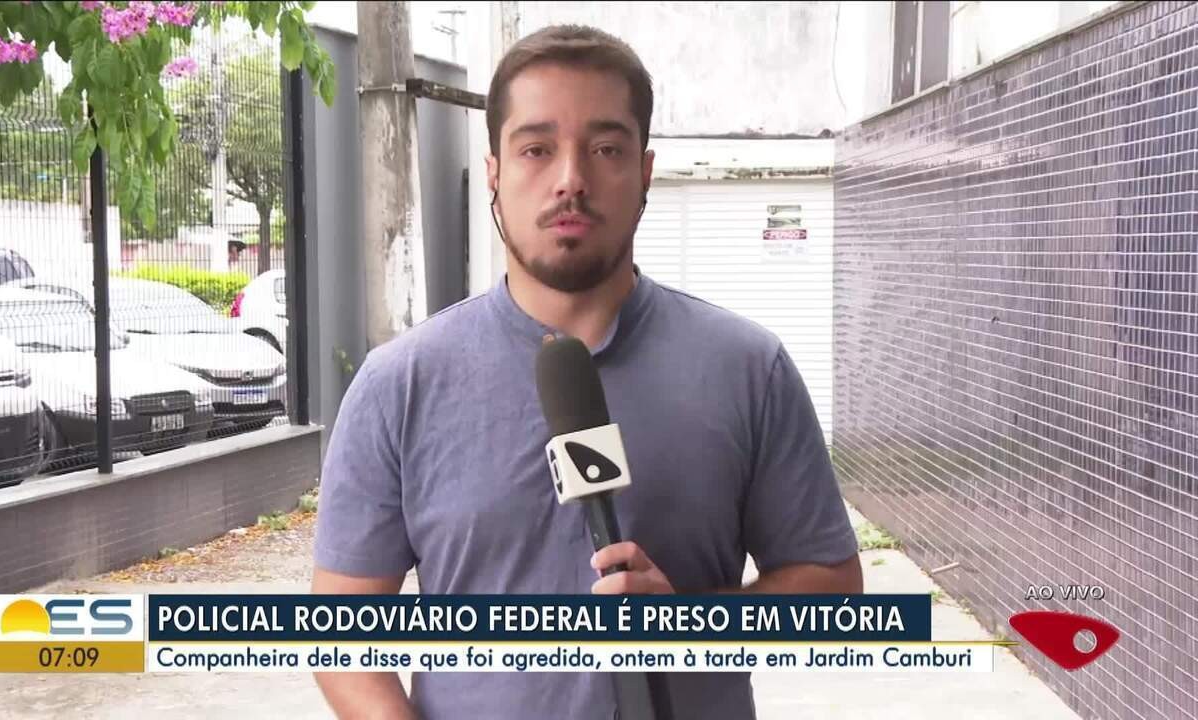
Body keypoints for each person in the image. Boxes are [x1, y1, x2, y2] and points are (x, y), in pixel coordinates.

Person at [312, 24, 862, 720]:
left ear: (645, 172)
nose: (570, 179)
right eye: (536, 149)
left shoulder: (749, 368)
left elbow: (832, 587)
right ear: (494, 172)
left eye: (605, 149)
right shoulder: (399, 386)